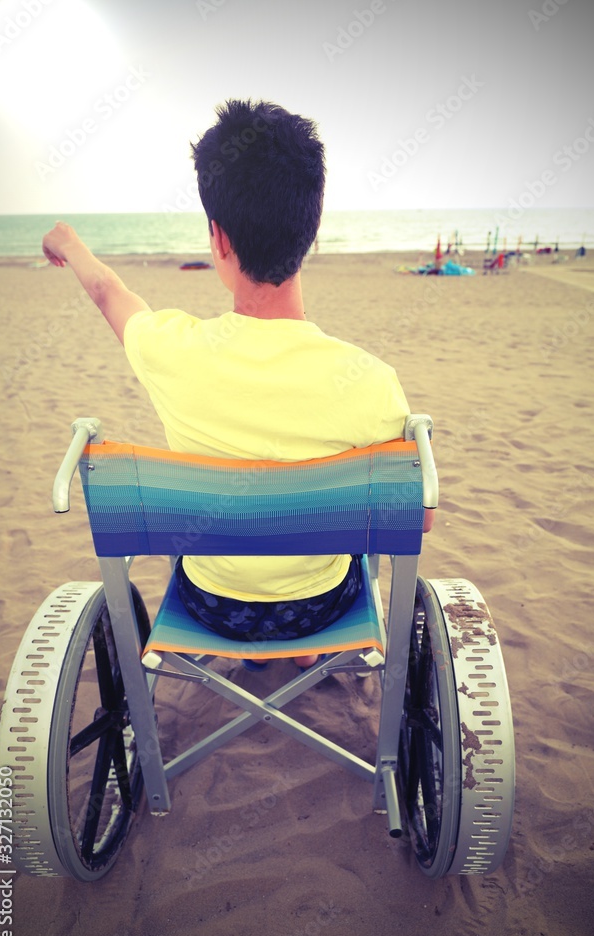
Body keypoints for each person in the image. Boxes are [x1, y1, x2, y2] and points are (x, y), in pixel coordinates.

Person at [42, 98, 433, 670]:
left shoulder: (171, 350)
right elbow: (415, 516)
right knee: (347, 548)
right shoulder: (372, 382)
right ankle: (305, 658)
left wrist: (69, 244)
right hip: (316, 608)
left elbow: (110, 294)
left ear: (218, 239)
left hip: (213, 607)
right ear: (313, 231)